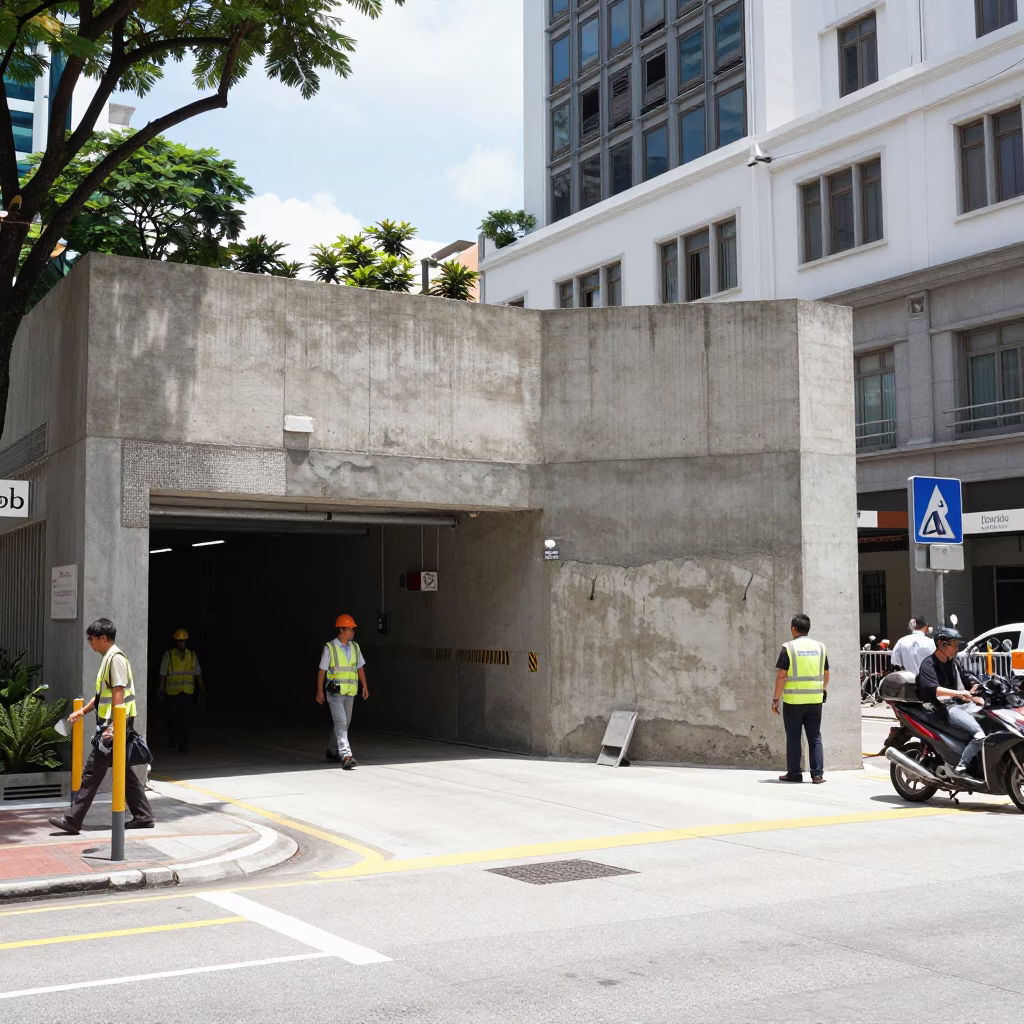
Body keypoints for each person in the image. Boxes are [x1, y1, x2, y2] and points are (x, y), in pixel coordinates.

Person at [49, 618, 155, 835]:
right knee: (122, 770)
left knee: (92, 771)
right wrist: (83, 711)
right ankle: (143, 816)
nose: (89, 643)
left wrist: (113, 726)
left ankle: (72, 819)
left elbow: (118, 692)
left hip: (114, 724)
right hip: (117, 722)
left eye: (92, 639)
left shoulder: (115, 659)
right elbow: (101, 696)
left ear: (103, 638)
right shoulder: (108, 658)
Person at [915, 627, 986, 777]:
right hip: (943, 708)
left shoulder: (952, 663)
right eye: (953, 644)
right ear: (941, 644)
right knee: (979, 734)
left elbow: (967, 682)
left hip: (961, 705)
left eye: (957, 644)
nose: (956, 648)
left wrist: (977, 690)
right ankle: (961, 767)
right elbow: (935, 689)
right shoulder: (928, 664)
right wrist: (959, 693)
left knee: (990, 721)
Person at [772, 613, 829, 784]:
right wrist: (822, 690)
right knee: (815, 737)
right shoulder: (820, 647)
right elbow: (826, 673)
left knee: (794, 737)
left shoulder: (788, 648)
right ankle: (817, 774)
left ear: (793, 629)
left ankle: (794, 773)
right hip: (815, 700)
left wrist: (775, 699)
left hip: (794, 702)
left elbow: (782, 675)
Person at [315, 614, 369, 769]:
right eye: (350, 629)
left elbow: (360, 667)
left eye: (352, 629)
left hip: (350, 691)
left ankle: (332, 750)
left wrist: (364, 686)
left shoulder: (355, 647)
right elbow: (322, 670)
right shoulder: (330, 647)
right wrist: (319, 691)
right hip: (334, 691)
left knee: (345, 723)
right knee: (341, 722)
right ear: (341, 630)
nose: (353, 632)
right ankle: (346, 755)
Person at [158, 628, 204, 753]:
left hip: (187, 692)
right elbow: (163, 673)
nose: (181, 643)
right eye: (179, 641)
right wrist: (161, 689)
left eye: (183, 641)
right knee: (173, 717)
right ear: (175, 642)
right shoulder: (169, 655)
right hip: (173, 692)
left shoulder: (192, 655)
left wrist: (202, 688)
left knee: (186, 719)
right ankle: (173, 740)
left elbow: (197, 673)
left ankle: (182, 743)